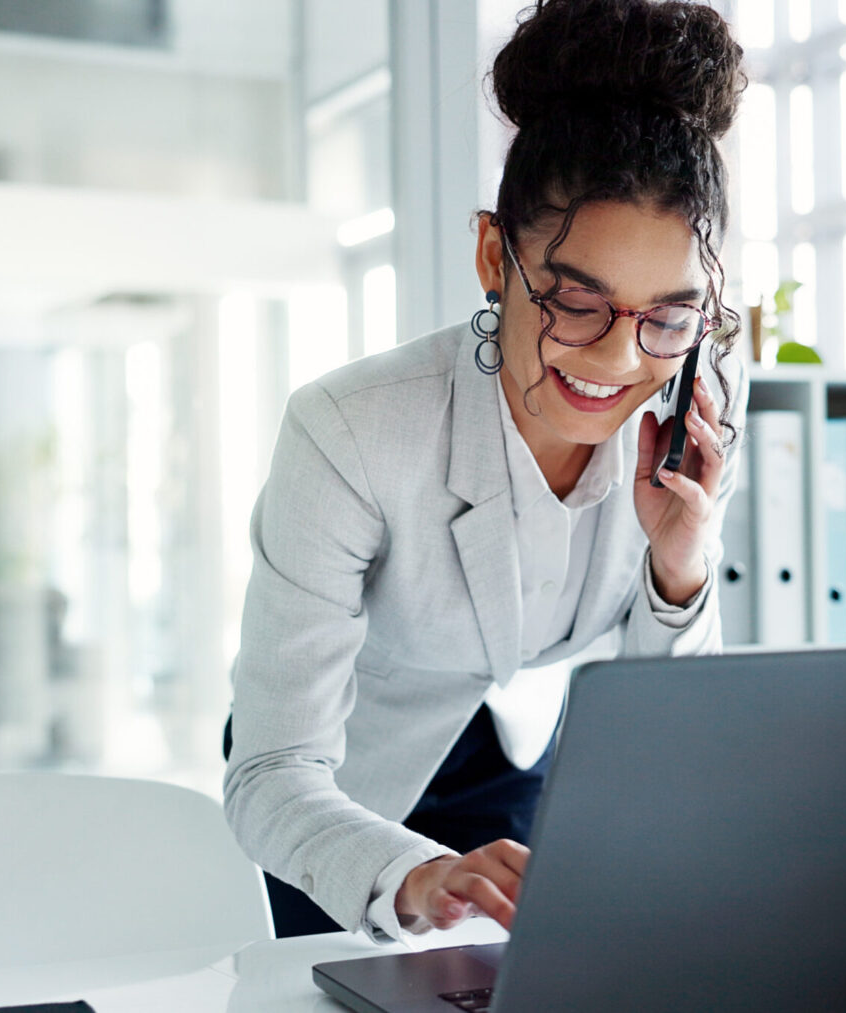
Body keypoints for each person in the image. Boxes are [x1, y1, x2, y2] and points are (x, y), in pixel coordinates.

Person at [223, 0, 749, 941]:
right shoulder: (350, 431)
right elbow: (270, 771)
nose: (620, 358)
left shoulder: (691, 397)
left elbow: (682, 730)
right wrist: (414, 871)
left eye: (666, 316)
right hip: (344, 789)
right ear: (491, 258)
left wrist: (681, 566)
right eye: (576, 301)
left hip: (523, 759)